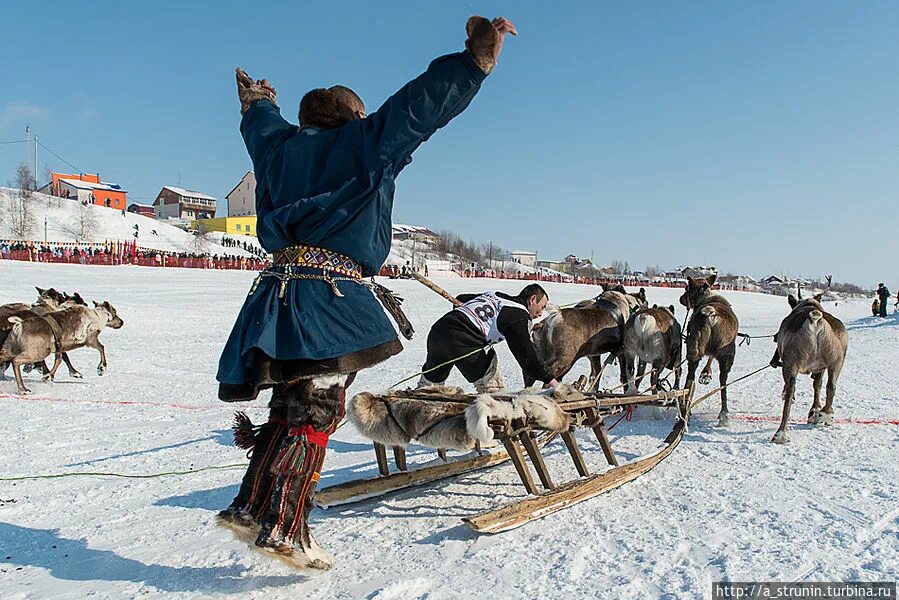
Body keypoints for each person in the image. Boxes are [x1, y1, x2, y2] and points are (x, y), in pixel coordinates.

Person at [215, 15, 518, 570]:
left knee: (291, 403)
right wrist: (474, 63)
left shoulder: (279, 150)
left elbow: (259, 127)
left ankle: (253, 505)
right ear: (354, 117)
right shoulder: (365, 143)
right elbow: (418, 107)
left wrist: (256, 101)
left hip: (276, 296)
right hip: (328, 301)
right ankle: (284, 528)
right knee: (316, 409)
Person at [418, 284, 558, 392]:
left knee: (430, 386)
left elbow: (460, 299)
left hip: (439, 331)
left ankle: (417, 407)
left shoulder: (496, 295)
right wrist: (550, 380)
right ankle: (494, 413)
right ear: (532, 299)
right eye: (542, 307)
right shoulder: (519, 316)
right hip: (465, 341)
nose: (540, 314)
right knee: (494, 391)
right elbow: (527, 355)